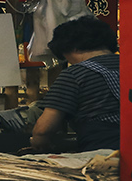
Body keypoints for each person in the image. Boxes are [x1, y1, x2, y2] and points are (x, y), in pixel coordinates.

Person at [30, 16, 120, 152]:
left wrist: (40, 144)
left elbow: (43, 130)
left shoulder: (74, 74)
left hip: (102, 153)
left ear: (74, 48)